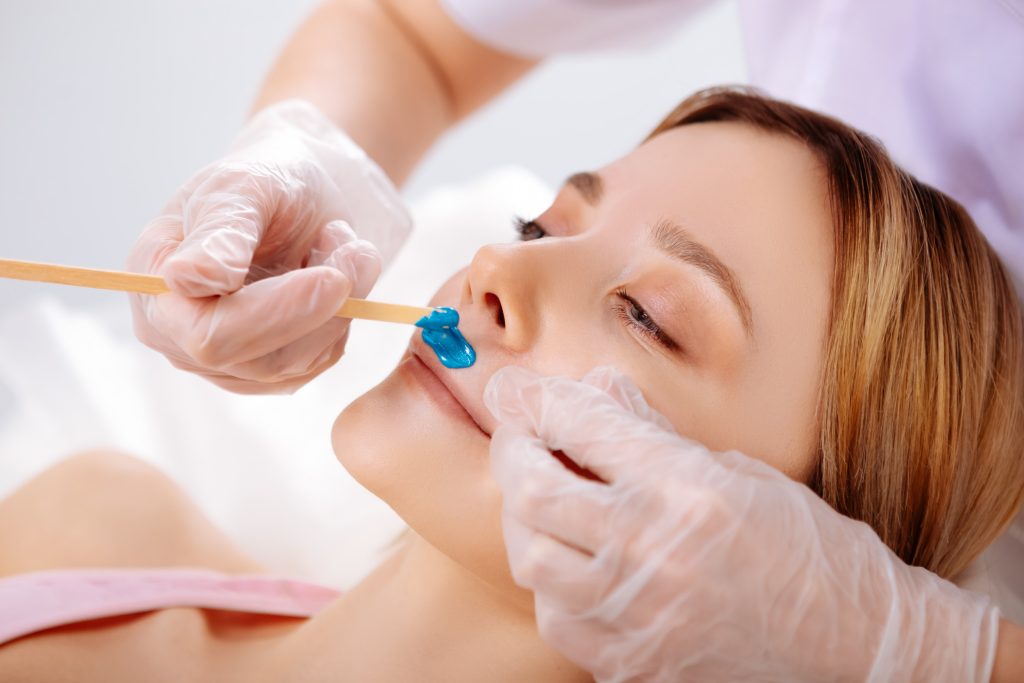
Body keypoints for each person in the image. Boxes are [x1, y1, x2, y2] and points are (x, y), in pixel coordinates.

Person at [124, 0, 1024, 679]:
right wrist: (308, 154)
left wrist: (913, 646)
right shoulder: (108, 515)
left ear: (805, 546)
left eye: (648, 317)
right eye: (541, 227)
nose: (491, 271)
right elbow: (418, 31)